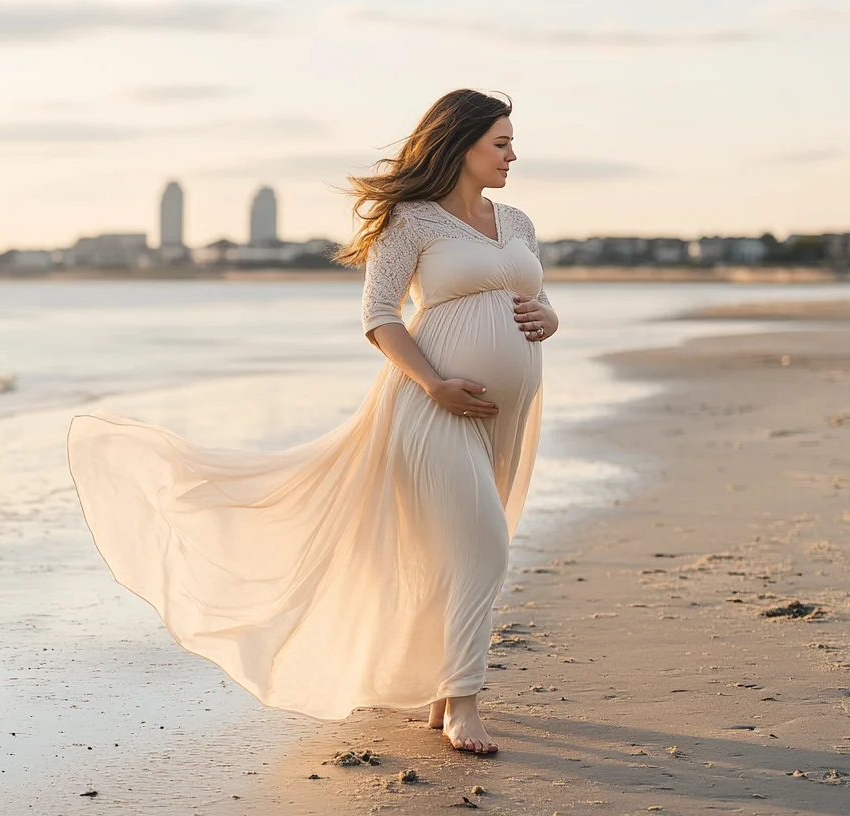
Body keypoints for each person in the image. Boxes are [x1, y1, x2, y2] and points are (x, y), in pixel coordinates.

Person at [67, 89, 557, 756]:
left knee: (467, 543)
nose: (512, 154)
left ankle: (444, 688)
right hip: (429, 406)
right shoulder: (412, 222)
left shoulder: (519, 222)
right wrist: (435, 383)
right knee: (485, 545)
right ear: (460, 144)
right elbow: (380, 315)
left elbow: (541, 303)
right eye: (500, 142)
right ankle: (464, 702)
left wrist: (547, 320)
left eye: (511, 142)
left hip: (506, 412)